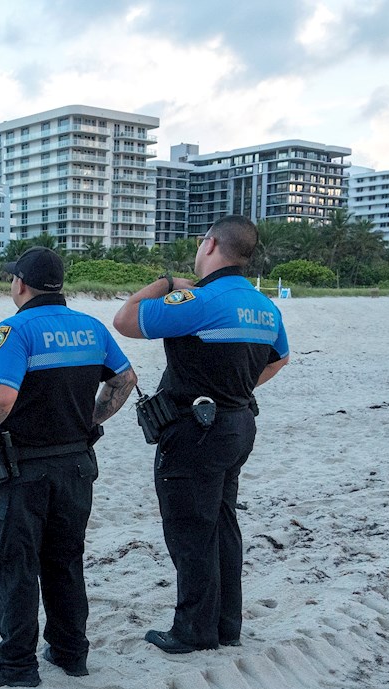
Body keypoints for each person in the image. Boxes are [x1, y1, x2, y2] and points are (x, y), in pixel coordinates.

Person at [0, 246, 136, 687]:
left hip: (22, 470)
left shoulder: (14, 329)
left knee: (16, 563)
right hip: (77, 465)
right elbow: (125, 380)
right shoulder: (91, 328)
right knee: (65, 559)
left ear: (19, 283)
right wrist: (90, 419)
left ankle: (17, 665)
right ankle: (70, 652)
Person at [112, 215, 289, 654]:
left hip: (195, 430)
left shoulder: (200, 300)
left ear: (209, 245)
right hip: (237, 424)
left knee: (190, 529)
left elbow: (125, 319)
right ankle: (227, 624)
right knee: (223, 523)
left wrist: (166, 281)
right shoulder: (265, 306)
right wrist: (235, 388)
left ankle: (193, 629)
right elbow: (279, 358)